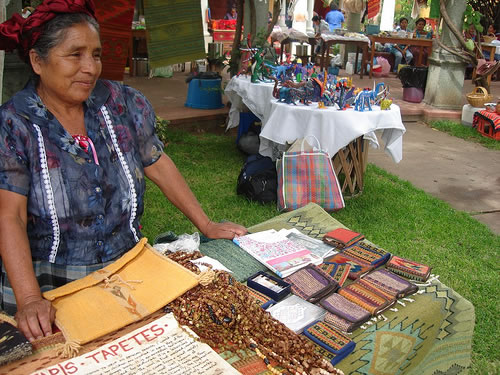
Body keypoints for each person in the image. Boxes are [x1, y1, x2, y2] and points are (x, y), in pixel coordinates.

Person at [0, 0, 247, 342]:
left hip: (127, 270)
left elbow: (155, 161)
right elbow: (9, 216)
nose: (90, 68)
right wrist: (29, 299)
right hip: (52, 286)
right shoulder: (15, 125)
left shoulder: (121, 104)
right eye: (75, 54)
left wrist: (206, 224)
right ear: (37, 61)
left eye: (96, 54)